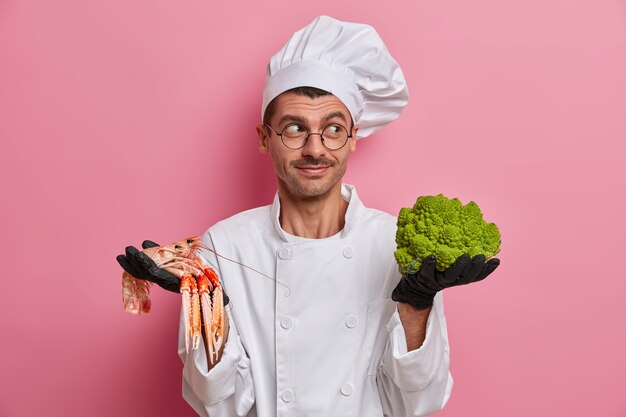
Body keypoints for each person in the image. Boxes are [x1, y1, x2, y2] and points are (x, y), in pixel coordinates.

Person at [117, 15, 500, 417]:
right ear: (265, 139)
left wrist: (417, 305)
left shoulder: (395, 245)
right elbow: (218, 402)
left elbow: (418, 401)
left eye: (333, 128)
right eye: (294, 128)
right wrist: (209, 306)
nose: (315, 148)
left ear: (353, 137)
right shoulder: (223, 246)